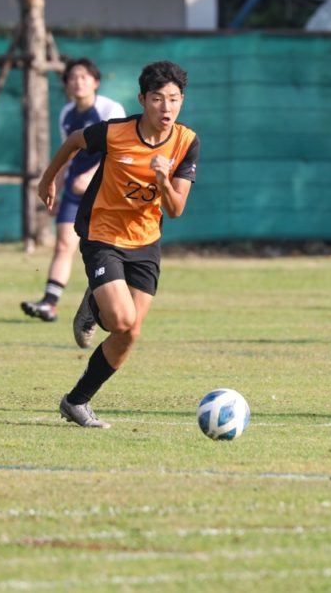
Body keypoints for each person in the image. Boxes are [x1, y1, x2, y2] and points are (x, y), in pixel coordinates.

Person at [37, 60, 199, 428]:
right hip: (103, 234)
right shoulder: (115, 132)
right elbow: (74, 141)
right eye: (157, 98)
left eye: (174, 99)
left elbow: (175, 210)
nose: (166, 107)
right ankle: (97, 301)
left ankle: (76, 401)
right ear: (142, 99)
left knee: (130, 332)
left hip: (146, 241)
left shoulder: (187, 142)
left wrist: (163, 179)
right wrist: (49, 179)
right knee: (121, 318)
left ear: (182, 101)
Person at [21, 58, 125, 323]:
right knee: (64, 244)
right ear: (66, 84)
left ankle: (102, 303)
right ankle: (49, 303)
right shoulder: (66, 113)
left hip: (106, 190)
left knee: (107, 250)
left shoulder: (110, 109)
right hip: (74, 191)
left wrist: (90, 176)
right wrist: (55, 186)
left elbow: (120, 152)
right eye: (72, 77)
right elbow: (69, 153)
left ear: (96, 82)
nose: (78, 82)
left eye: (84, 77)